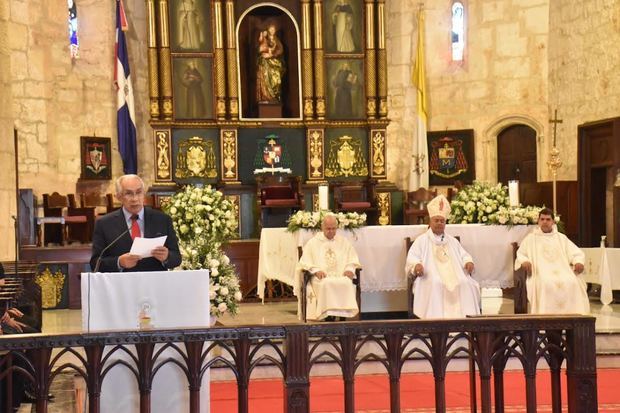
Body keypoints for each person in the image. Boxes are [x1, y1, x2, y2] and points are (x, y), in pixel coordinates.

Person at [405, 194, 480, 318]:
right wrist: (417, 266)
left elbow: (464, 255)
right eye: (436, 220)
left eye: (442, 221)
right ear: (430, 221)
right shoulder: (421, 240)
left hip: (455, 274)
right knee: (436, 283)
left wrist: (468, 262)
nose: (439, 223)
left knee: (464, 282)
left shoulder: (452, 241)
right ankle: (434, 325)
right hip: (429, 276)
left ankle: (465, 323)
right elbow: (412, 257)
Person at [90, 174, 182, 272]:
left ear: (144, 194)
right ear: (118, 197)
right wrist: (119, 262)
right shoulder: (104, 224)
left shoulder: (162, 220)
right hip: (121, 284)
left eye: (139, 192)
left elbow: (176, 258)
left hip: (154, 283)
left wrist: (167, 256)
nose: (135, 199)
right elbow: (95, 263)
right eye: (128, 193)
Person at [515, 208, 590, 314]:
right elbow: (521, 254)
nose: (545, 222)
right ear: (538, 221)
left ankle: (573, 319)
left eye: (548, 219)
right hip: (540, 272)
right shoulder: (531, 238)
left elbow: (576, 253)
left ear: (553, 222)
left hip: (563, 270)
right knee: (546, 283)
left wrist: (578, 262)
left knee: (572, 282)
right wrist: (525, 261)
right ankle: (546, 320)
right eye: (542, 219)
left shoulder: (561, 238)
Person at [297, 214, 360, 321]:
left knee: (346, 283)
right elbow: (305, 261)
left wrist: (349, 269)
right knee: (326, 284)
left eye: (333, 228)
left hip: (340, 276)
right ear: (322, 228)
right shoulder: (313, 243)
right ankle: (328, 316)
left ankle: (343, 316)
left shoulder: (343, 242)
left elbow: (352, 258)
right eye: (328, 229)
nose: (331, 231)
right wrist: (316, 270)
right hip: (321, 278)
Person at [256, 24, 286, 103]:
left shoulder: (277, 40)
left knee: (276, 80)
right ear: (268, 30)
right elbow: (260, 47)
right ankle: (266, 97)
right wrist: (262, 36)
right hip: (265, 62)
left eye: (274, 29)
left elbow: (280, 50)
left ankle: (274, 96)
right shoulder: (265, 38)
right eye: (271, 29)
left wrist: (272, 54)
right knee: (265, 78)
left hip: (274, 62)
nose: (272, 31)